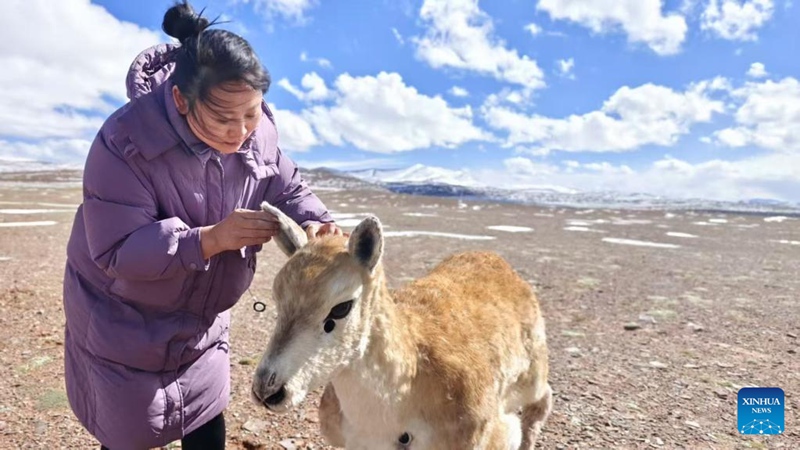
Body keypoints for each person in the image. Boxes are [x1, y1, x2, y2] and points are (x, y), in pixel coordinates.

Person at [61, 2, 341, 449]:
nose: (241, 131)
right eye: (223, 118)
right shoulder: (124, 142)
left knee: (205, 419)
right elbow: (116, 250)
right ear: (180, 99)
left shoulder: (259, 134)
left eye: (251, 113)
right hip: (123, 323)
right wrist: (209, 240)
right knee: (128, 432)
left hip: (202, 326)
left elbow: (287, 184)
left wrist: (317, 220)